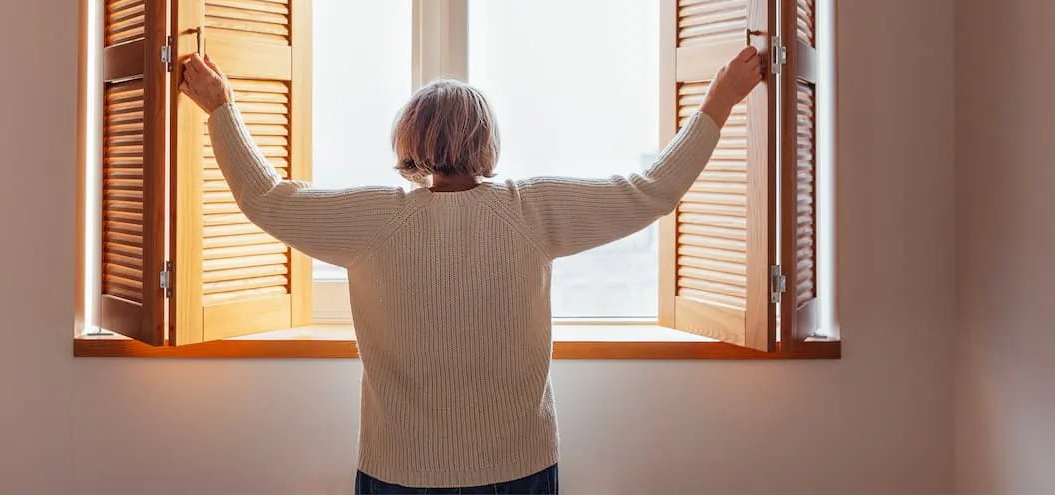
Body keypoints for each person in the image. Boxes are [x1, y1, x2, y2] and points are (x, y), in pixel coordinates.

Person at [179, 47, 763, 495]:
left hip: (398, 469)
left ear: (408, 139)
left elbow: (267, 198)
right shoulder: (529, 211)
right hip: (517, 467)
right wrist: (719, 99)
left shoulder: (372, 220)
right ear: (487, 140)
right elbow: (652, 191)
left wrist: (221, 105)